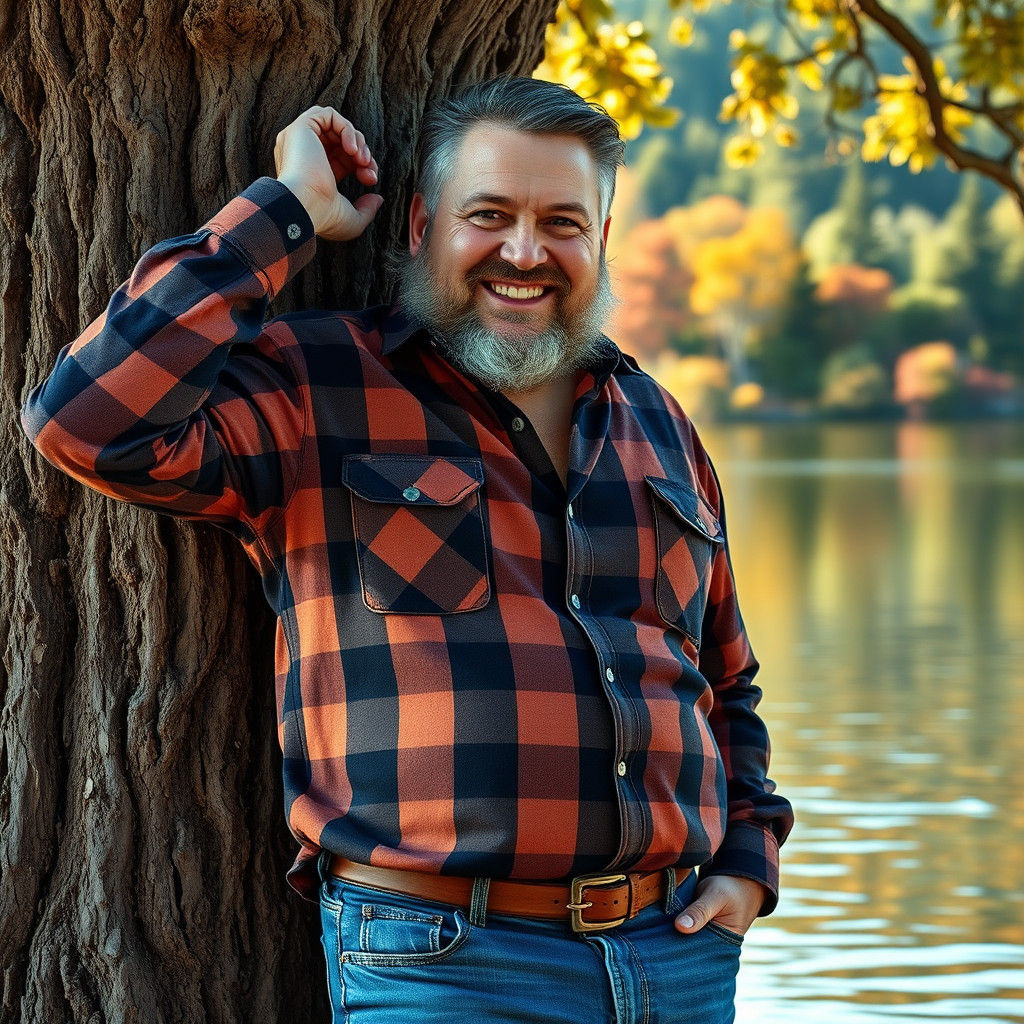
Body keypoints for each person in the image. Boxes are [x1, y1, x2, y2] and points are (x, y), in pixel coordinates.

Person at [21, 76, 794, 1023]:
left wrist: (750, 866)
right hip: (446, 965)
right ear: (424, 219)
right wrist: (289, 213)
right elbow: (87, 422)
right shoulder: (321, 384)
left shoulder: (658, 423)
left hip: (677, 961)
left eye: (563, 222)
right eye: (490, 214)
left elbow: (725, 678)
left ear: (599, 238)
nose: (525, 251)